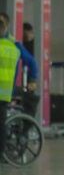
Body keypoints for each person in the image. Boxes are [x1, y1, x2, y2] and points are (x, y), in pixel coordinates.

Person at [0, 13, 37, 154]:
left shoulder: (14, 44)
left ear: (6, 26)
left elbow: (31, 62)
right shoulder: (13, 44)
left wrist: (33, 80)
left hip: (6, 91)